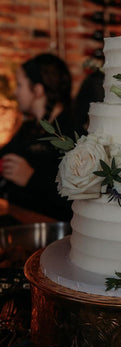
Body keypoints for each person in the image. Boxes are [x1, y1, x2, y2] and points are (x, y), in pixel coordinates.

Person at [0, 53, 74, 221]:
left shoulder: (71, 133)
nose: (15, 92)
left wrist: (31, 178)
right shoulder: (30, 128)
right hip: (18, 221)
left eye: (19, 85)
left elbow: (77, 197)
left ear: (38, 90)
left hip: (52, 234)